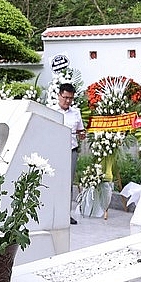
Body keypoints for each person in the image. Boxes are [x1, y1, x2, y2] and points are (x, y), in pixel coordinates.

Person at [57, 83, 85, 225]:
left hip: (71, 150)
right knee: (54, 181)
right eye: (65, 97)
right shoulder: (51, 110)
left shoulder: (76, 113)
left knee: (68, 183)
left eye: (70, 98)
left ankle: (65, 214)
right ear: (59, 95)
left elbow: (80, 131)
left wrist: (82, 135)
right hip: (55, 150)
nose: (67, 101)